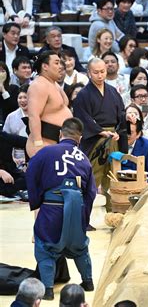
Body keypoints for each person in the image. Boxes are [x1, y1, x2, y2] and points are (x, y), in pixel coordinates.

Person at [26, 118, 96, 300]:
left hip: (52, 208)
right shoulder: (84, 159)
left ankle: (48, 290)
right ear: (79, 139)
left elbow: (31, 173)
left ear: (60, 134)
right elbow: (91, 193)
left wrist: (37, 202)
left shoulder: (46, 152)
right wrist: (84, 219)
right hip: (77, 207)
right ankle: (88, 282)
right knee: (80, 248)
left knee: (45, 247)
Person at [73, 58, 126, 211]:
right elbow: (82, 117)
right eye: (95, 72)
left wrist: (118, 130)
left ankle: (115, 212)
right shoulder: (84, 94)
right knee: (91, 178)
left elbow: (120, 113)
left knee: (113, 177)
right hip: (95, 140)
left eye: (102, 71)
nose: (100, 75)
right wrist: (99, 131)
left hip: (113, 139)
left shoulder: (113, 91)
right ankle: (83, 216)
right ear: (89, 73)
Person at [26, 51, 73, 157]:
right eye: (56, 63)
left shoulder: (53, 83)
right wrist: (38, 143)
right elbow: (33, 116)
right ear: (45, 66)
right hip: (45, 142)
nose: (60, 66)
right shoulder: (38, 85)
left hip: (59, 141)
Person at [123, 104, 148, 182]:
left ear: (138, 134)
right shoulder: (114, 143)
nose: (127, 135)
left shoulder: (146, 145)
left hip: (141, 183)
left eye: (131, 133)